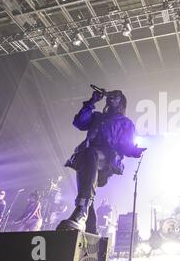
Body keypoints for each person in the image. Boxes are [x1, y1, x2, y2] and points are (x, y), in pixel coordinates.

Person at [57, 89, 146, 233]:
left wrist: (133, 151)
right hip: (87, 156)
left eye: (115, 98)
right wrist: (92, 102)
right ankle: (91, 229)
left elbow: (125, 144)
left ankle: (80, 213)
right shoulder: (97, 117)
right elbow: (79, 122)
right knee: (85, 190)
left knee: (91, 159)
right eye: (110, 97)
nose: (111, 100)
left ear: (121, 103)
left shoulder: (125, 123)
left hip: (108, 158)